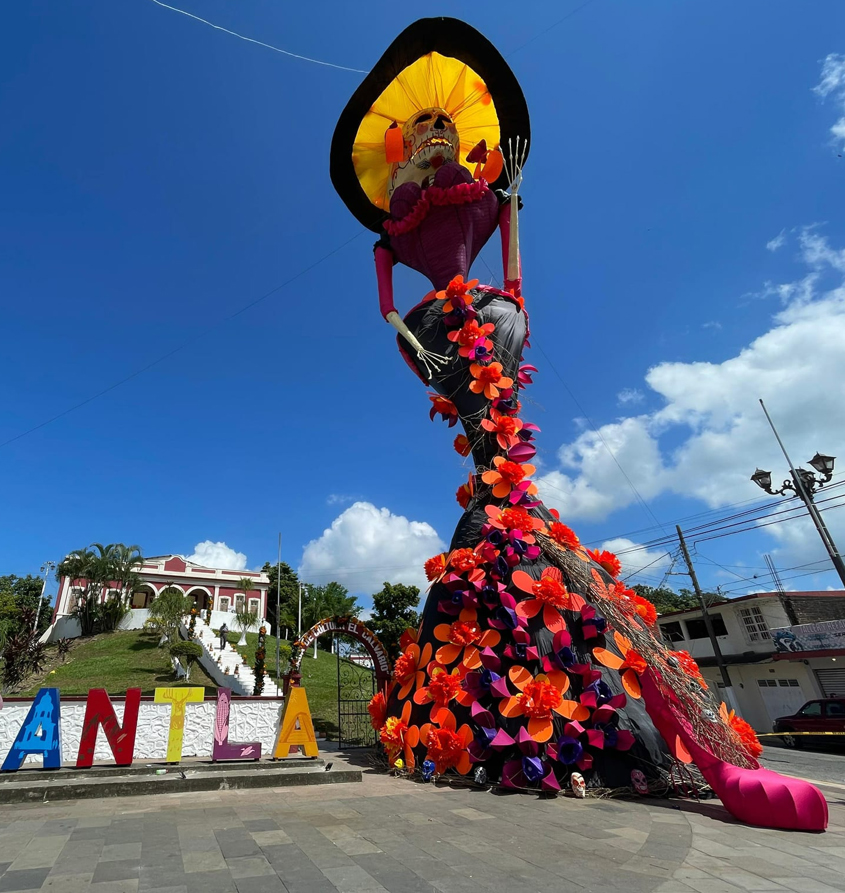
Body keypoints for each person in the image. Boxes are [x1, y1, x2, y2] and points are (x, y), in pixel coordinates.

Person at [327, 18, 778, 800]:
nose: (435, 132)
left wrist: (518, 257)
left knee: (498, 336)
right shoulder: (392, 231)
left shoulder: (485, 196)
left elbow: (512, 268)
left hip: (494, 315)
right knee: (483, 403)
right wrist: (413, 335)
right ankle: (500, 497)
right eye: (421, 127)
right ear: (400, 148)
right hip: (430, 330)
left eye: (444, 123)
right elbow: (385, 310)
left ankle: (504, 505)